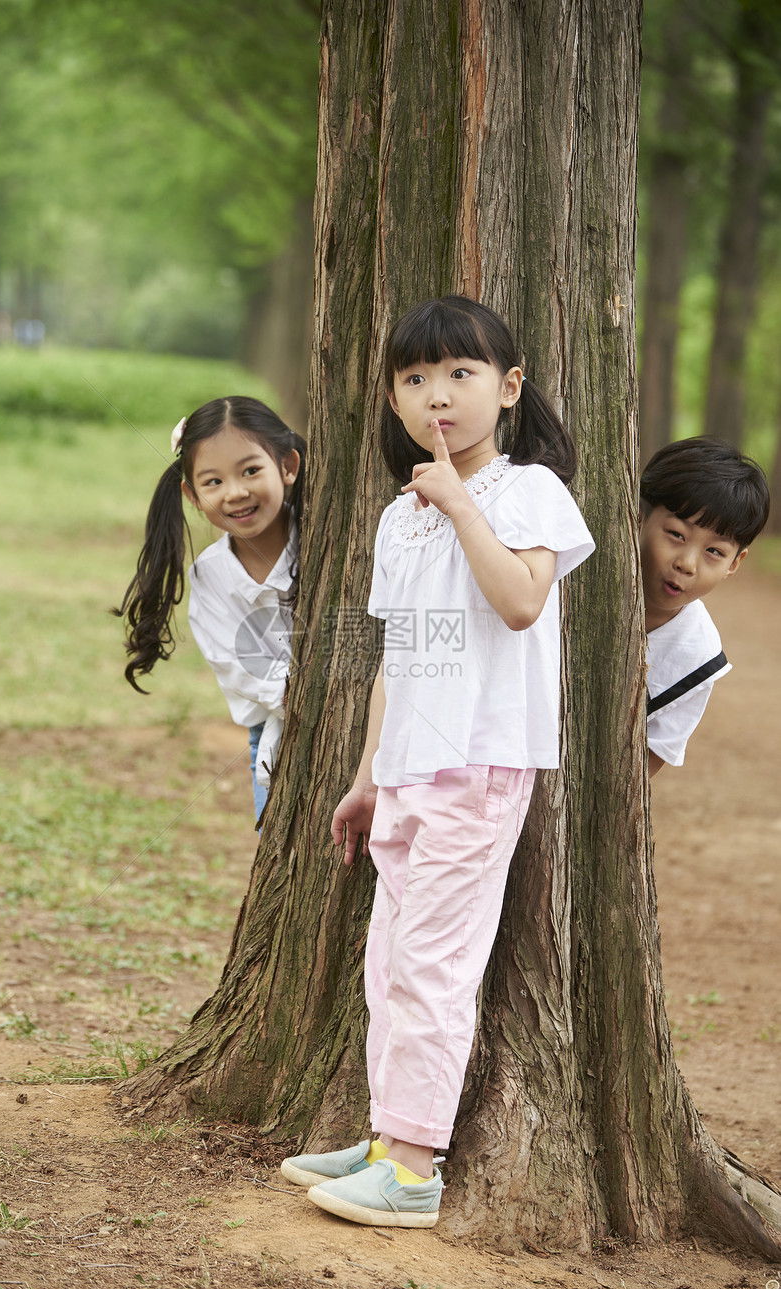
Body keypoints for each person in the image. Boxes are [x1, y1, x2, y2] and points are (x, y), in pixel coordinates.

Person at [280, 295, 595, 1227]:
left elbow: (523, 603)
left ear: (508, 388)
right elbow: (394, 653)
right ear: (393, 399)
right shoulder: (394, 516)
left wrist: (460, 501)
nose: (438, 396)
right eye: (415, 379)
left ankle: (414, 1168)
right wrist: (369, 772)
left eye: (460, 374)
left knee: (435, 964)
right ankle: (385, 1138)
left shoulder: (529, 488)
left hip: (485, 760)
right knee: (388, 961)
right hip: (412, 766)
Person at [114, 397, 305, 819]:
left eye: (251, 471)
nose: (236, 493)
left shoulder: (323, 538)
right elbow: (241, 666)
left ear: (287, 466)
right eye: (213, 482)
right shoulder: (210, 577)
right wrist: (312, 699)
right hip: (276, 738)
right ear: (192, 495)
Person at [639, 437, 770, 778]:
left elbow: (642, 768)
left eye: (714, 552)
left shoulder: (699, 658)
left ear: (734, 563)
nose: (687, 563)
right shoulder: (572, 580)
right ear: (638, 516)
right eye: (676, 534)